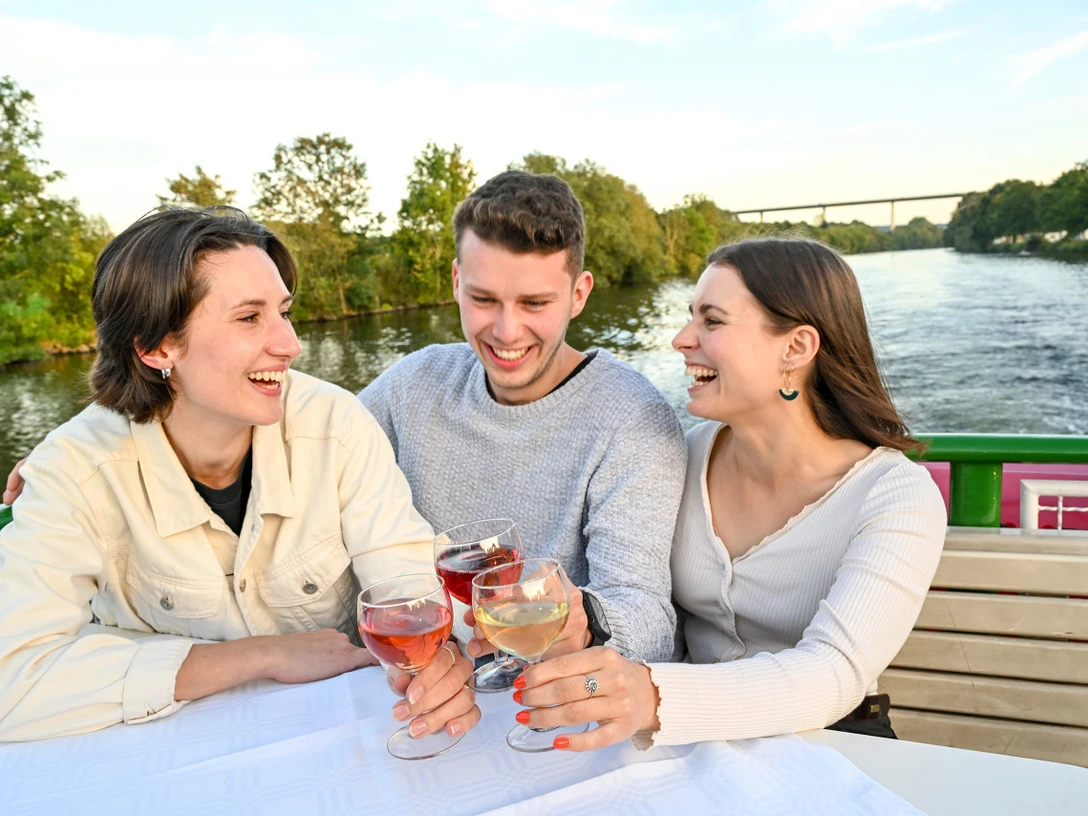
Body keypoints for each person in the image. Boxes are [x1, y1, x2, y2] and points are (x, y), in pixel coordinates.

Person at [0, 208, 479, 742]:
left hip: (348, 740)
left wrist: (437, 659)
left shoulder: (336, 425)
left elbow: (407, 584)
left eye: (284, 312)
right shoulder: (72, 472)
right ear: (156, 347)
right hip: (165, 764)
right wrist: (257, 657)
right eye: (250, 318)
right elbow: (12, 678)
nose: (290, 344)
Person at [512, 237, 947, 751]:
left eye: (712, 321)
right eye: (690, 317)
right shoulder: (678, 454)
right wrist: (583, 623)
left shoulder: (895, 496)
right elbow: (638, 600)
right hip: (690, 749)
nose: (681, 339)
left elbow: (834, 673)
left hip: (834, 745)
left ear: (796, 347)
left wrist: (650, 695)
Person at [358, 170, 687, 663]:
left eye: (534, 303)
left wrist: (591, 622)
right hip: (420, 679)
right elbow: (317, 448)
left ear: (579, 294)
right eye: (483, 299)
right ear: (455, 282)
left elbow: (650, 621)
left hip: (550, 698)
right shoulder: (414, 383)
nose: (507, 331)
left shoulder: (632, 420)